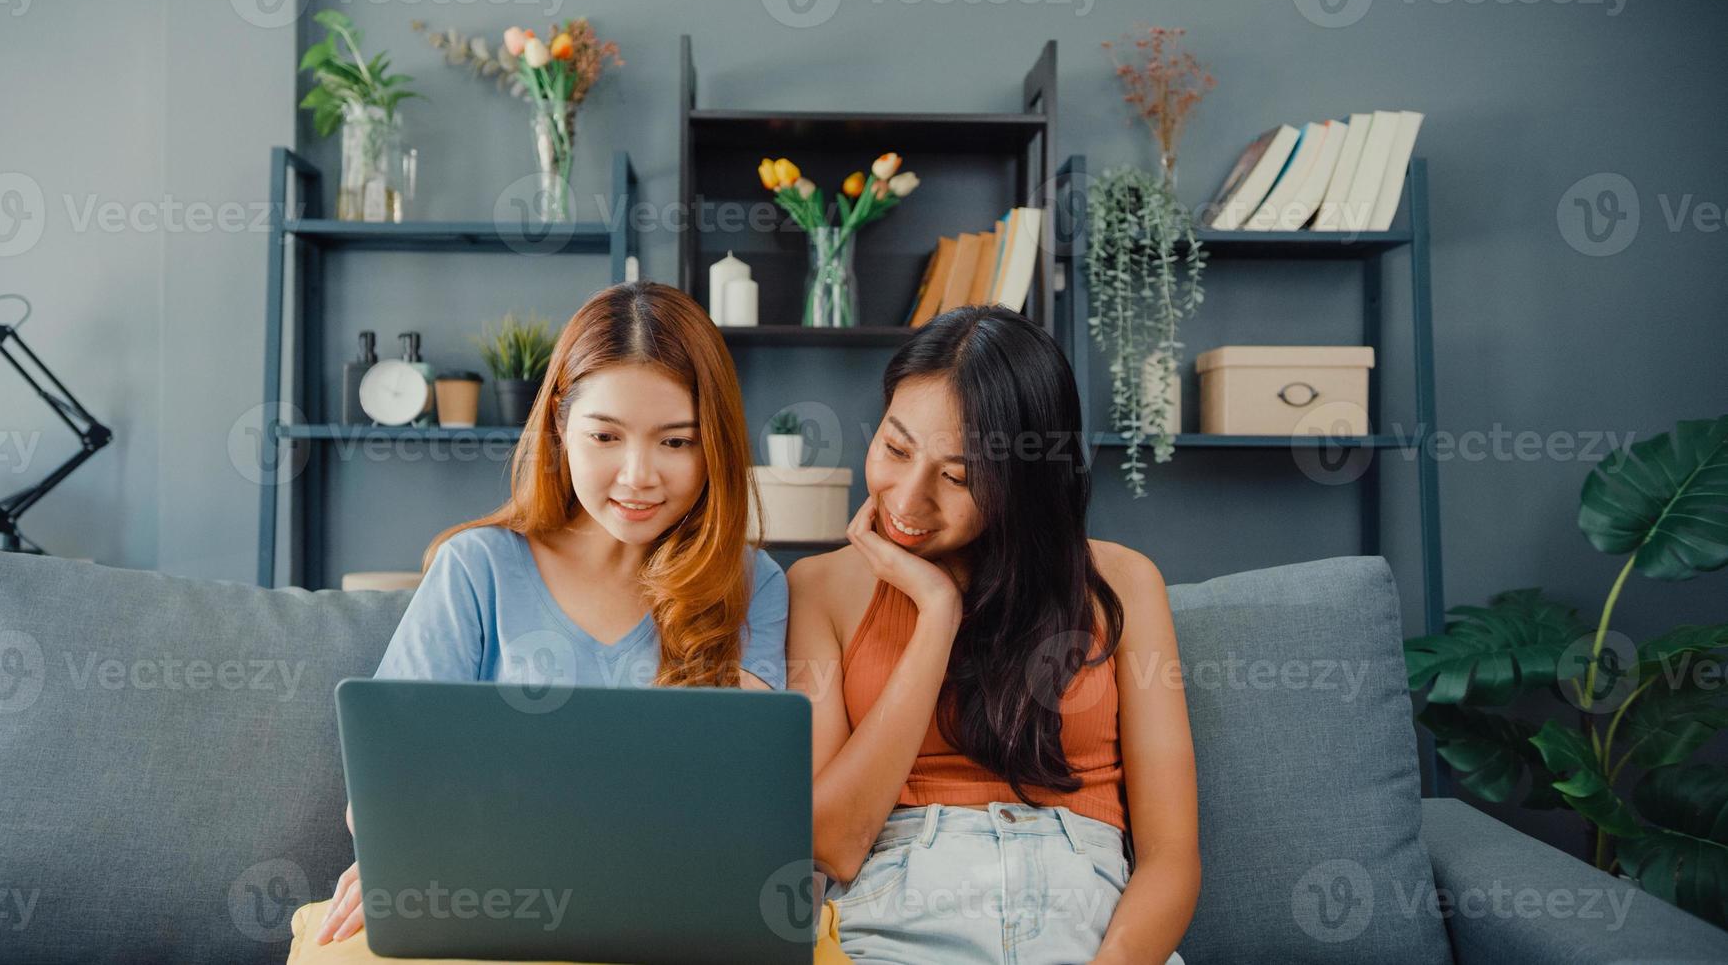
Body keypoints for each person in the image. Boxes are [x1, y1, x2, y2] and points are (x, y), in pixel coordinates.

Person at [286, 281, 850, 963]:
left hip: (677, 914)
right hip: (492, 902)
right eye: (605, 435)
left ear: (714, 447)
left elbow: (745, 810)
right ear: (558, 421)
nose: (638, 475)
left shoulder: (751, 581)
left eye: (675, 441)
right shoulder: (478, 567)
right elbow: (381, 797)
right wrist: (404, 861)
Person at [787, 305, 1201, 963]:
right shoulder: (819, 589)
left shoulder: (1123, 583)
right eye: (894, 448)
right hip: (900, 918)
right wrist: (935, 613)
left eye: (957, 476)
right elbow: (832, 840)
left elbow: (1171, 857)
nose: (907, 499)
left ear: (1024, 481)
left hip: (1091, 920)